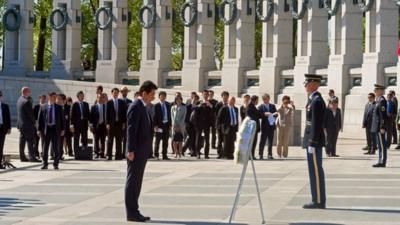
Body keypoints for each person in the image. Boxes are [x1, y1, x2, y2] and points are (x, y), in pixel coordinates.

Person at [125, 80, 157, 222]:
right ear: (144, 93)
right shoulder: (136, 106)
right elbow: (131, 130)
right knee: (133, 181)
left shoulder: (143, 107)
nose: (153, 97)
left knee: (137, 182)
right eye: (152, 94)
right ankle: (131, 212)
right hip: (136, 151)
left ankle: (135, 210)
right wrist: (130, 150)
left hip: (142, 151)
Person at [302, 74, 326, 209]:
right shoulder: (313, 99)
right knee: (313, 171)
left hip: (314, 142)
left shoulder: (316, 100)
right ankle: (316, 198)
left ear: (314, 84)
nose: (305, 85)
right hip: (312, 141)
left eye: (307, 82)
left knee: (316, 171)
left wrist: (312, 142)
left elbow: (316, 124)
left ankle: (318, 200)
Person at [37, 92, 65, 170]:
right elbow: (40, 120)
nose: (55, 98)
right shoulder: (43, 107)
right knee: (45, 147)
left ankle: (56, 164)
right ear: (49, 97)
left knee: (56, 147)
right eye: (53, 97)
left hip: (55, 129)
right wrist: (39, 130)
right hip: (46, 130)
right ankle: (45, 164)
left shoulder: (59, 107)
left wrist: (63, 129)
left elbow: (62, 119)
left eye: (55, 97)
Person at [17, 87, 40, 162]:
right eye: (29, 92)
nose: (30, 93)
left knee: (22, 141)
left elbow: (19, 114)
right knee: (30, 141)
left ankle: (22, 157)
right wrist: (35, 122)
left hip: (22, 124)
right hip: (28, 125)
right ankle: (32, 157)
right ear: (25, 92)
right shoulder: (26, 102)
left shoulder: (19, 100)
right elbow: (31, 114)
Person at [106, 88, 127, 160]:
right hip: (111, 124)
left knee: (118, 140)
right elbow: (106, 114)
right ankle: (109, 155)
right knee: (110, 140)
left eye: (117, 93)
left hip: (119, 124)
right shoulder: (109, 102)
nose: (115, 94)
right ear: (112, 93)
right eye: (114, 93)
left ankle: (118, 155)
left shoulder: (121, 102)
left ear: (118, 94)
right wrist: (107, 123)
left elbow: (124, 113)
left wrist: (124, 123)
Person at [192, 90, 214, 159]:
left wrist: (209, 105)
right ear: (202, 95)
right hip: (199, 124)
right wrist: (199, 105)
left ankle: (206, 154)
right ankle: (198, 153)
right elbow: (194, 109)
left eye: (207, 94)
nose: (206, 95)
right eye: (204, 94)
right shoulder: (199, 102)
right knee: (198, 138)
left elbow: (214, 111)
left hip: (207, 124)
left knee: (207, 139)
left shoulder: (211, 102)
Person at [371, 84, 389, 168]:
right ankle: (380, 160)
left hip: (380, 127)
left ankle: (382, 161)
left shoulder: (382, 101)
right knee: (380, 145)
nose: (375, 91)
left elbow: (383, 115)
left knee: (382, 145)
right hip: (377, 126)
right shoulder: (378, 100)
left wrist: (382, 126)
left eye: (376, 90)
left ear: (380, 91)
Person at [258, 93, 277, 160]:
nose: (266, 100)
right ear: (263, 99)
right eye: (264, 99)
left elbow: (276, 114)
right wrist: (264, 114)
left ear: (269, 98)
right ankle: (260, 154)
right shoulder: (261, 107)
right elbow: (259, 115)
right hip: (264, 126)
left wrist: (273, 115)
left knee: (270, 141)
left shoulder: (272, 106)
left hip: (271, 125)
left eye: (267, 98)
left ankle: (270, 154)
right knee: (262, 141)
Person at [153, 91, 171, 160]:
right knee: (157, 141)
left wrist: (170, 124)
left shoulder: (168, 105)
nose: (162, 97)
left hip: (166, 125)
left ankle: (164, 155)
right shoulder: (156, 105)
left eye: (164, 96)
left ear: (165, 97)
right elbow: (154, 116)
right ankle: (156, 154)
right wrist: (155, 125)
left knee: (165, 141)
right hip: (159, 126)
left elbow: (169, 115)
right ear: (159, 97)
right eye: (161, 96)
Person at [90, 93, 108, 159]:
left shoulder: (105, 107)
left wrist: (107, 124)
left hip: (103, 125)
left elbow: (107, 116)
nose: (100, 99)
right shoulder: (93, 107)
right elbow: (91, 117)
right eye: (99, 97)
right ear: (97, 98)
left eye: (101, 98)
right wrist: (91, 125)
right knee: (96, 140)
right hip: (96, 126)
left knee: (103, 140)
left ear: (103, 99)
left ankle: (102, 153)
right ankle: (96, 153)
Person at [215, 91, 229, 159]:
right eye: (224, 97)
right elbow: (216, 115)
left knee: (225, 140)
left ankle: (225, 153)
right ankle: (219, 153)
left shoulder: (229, 105)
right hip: (220, 125)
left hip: (226, 126)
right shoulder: (218, 104)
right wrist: (217, 125)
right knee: (220, 140)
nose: (225, 98)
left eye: (226, 97)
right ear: (222, 97)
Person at [0, 90, 11, 169]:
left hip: (2, 129)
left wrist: (9, 128)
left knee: (1, 146)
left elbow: (8, 118)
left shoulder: (5, 106)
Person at [121, 86, 133, 159]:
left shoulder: (130, 101)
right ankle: (119, 153)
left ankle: (125, 152)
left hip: (127, 122)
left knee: (126, 138)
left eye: (125, 91)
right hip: (120, 123)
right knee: (119, 139)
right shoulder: (119, 101)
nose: (124, 93)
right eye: (123, 91)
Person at [56, 94, 68, 160]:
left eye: (60, 99)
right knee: (56, 142)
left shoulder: (64, 108)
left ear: (63, 100)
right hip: (56, 128)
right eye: (57, 98)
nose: (58, 100)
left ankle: (60, 155)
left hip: (62, 128)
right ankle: (55, 154)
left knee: (61, 142)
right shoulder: (55, 107)